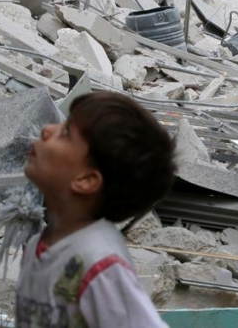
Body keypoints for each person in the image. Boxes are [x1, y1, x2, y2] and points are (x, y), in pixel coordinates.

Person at [16, 92, 175, 327]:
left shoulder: (101, 265)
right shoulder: (36, 247)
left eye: (66, 133)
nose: (47, 130)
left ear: (86, 180)